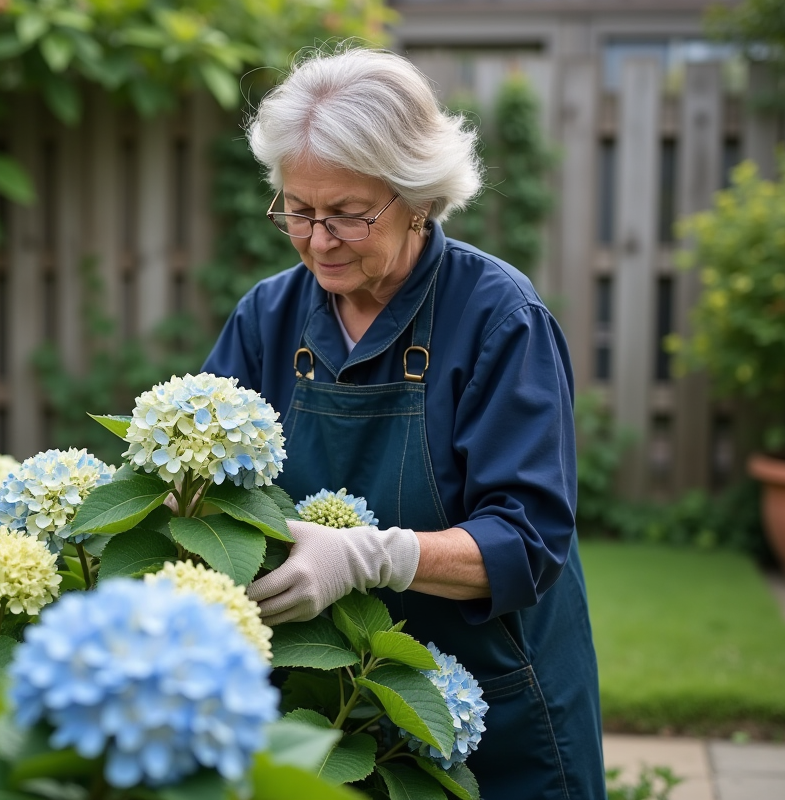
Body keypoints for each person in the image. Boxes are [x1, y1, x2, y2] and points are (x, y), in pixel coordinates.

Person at [201, 47, 606, 798]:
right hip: (326, 710)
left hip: (495, 710)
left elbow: (529, 540)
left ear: (417, 196)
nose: (319, 240)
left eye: (349, 215)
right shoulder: (268, 316)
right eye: (297, 209)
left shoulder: (499, 318)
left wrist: (367, 558)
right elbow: (204, 488)